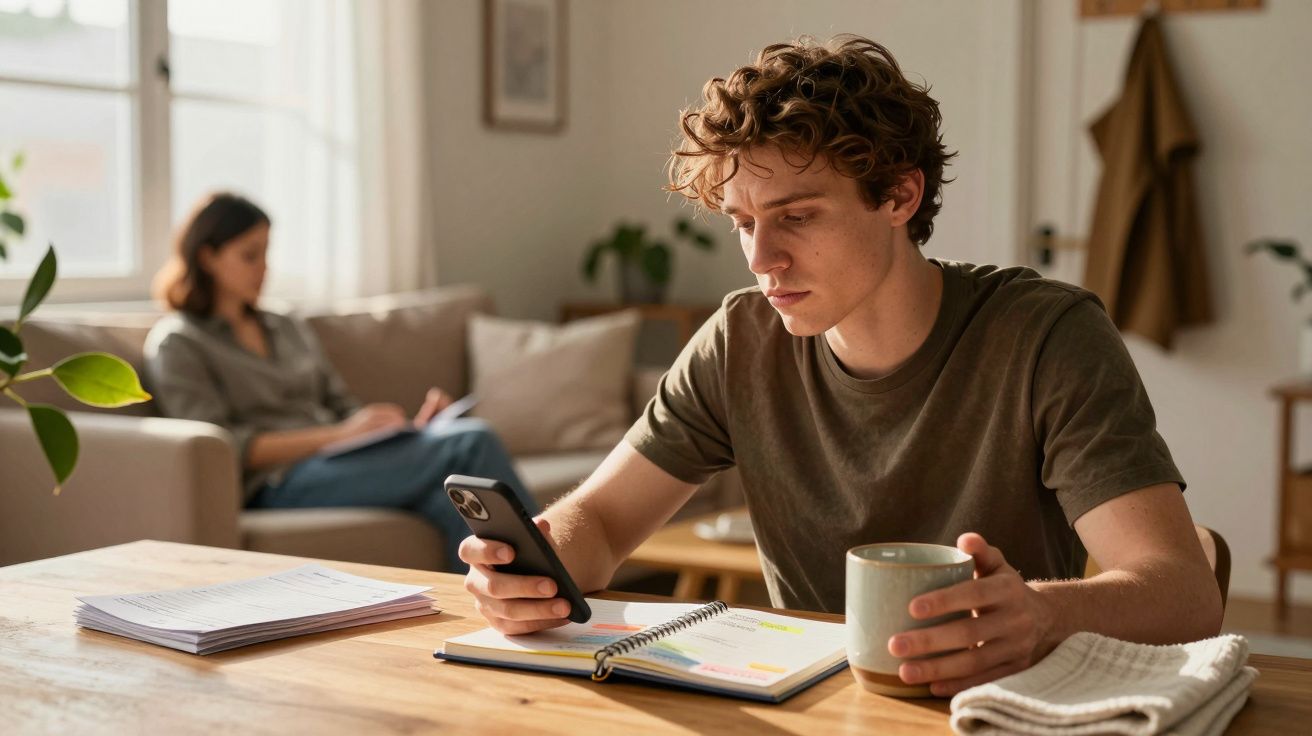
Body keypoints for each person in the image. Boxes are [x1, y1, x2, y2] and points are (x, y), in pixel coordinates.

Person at [457, 36, 1223, 697]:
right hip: (812, 704)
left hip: (999, 703)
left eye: (797, 216)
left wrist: (1044, 612)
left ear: (899, 194)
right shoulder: (739, 340)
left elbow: (1183, 591)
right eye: (744, 223)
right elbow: (601, 522)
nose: (762, 259)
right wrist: (537, 562)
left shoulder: (1047, 335)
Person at [144, 192, 530, 572]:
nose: (264, 268)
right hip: (277, 483)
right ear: (207, 257)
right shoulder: (179, 342)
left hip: (340, 460)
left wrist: (405, 432)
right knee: (473, 440)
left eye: (266, 253)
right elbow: (227, 446)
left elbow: (341, 405)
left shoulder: (285, 325)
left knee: (449, 493)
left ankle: (489, 621)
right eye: (249, 255)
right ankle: (558, 582)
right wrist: (338, 435)